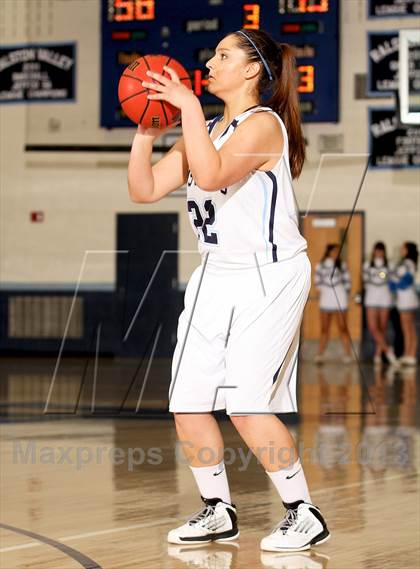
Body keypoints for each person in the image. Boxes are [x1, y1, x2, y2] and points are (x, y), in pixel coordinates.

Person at [127, 28, 330, 552]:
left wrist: (188, 107)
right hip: (215, 273)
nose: (210, 63)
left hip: (270, 274)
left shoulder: (264, 126)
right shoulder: (208, 127)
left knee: (245, 401)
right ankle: (217, 510)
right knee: (187, 402)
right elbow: (144, 189)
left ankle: (302, 511)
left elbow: (213, 175)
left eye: (223, 55)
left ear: (251, 71)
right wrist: (147, 127)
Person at [314, 244, 352, 364]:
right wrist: (326, 290)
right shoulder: (320, 266)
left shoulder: (342, 265)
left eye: (337, 252)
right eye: (334, 252)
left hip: (340, 299)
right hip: (326, 299)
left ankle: (347, 354)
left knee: (343, 327)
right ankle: (320, 354)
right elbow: (317, 282)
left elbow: (347, 283)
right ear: (329, 252)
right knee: (324, 328)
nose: (336, 254)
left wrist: (341, 291)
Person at [363, 242, 397, 365]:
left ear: (384, 252)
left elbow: (392, 279)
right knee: (373, 328)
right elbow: (366, 281)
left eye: (381, 250)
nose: (378, 253)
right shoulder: (367, 265)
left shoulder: (390, 265)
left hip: (384, 298)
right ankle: (388, 351)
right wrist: (379, 275)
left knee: (382, 328)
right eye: (376, 250)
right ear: (373, 252)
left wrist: (382, 275)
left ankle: (377, 355)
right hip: (371, 298)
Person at [390, 242, 419, 366]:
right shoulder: (403, 263)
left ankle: (411, 354)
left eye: (403, 248)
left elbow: (406, 280)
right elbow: (392, 277)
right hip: (404, 299)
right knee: (407, 328)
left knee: (408, 328)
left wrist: (394, 285)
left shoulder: (408, 264)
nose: (400, 249)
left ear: (408, 250)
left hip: (407, 299)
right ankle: (407, 354)